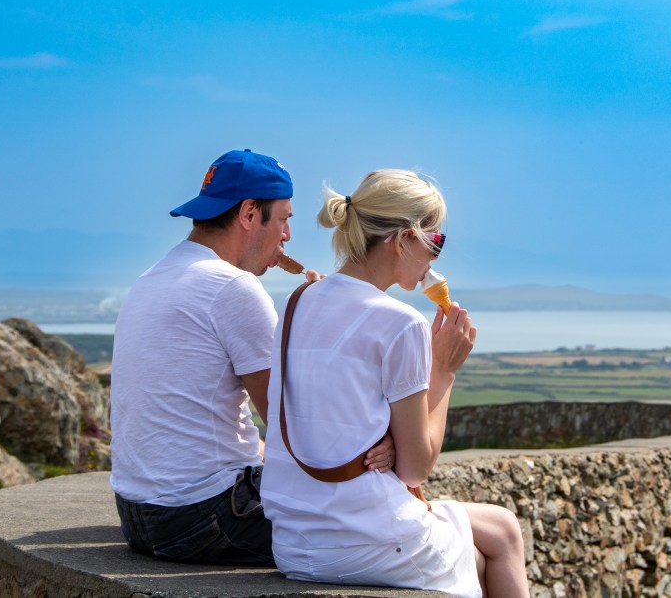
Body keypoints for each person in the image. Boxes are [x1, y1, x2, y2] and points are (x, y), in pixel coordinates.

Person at [109, 149, 393, 566]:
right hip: (205, 516)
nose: (288, 235)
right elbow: (292, 426)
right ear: (248, 213)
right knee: (386, 532)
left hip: (138, 512)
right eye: (283, 218)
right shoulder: (233, 288)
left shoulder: (153, 276)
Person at [261, 170, 529, 597]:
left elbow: (336, 407)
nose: (436, 258)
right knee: (506, 533)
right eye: (436, 241)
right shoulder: (400, 322)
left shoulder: (297, 302)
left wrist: (387, 433)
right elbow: (415, 468)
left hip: (294, 540)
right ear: (403, 239)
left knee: (489, 544)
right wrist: (444, 370)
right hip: (363, 537)